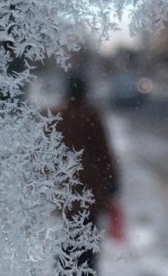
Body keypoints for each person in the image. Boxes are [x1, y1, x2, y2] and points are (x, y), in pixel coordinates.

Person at [53, 74, 119, 275]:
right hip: (90, 192)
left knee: (69, 240)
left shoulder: (58, 117)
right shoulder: (91, 116)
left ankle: (66, 270)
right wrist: (112, 183)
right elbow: (104, 153)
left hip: (67, 192)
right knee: (88, 245)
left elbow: (49, 155)